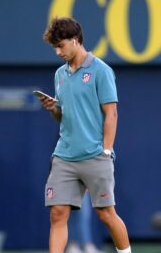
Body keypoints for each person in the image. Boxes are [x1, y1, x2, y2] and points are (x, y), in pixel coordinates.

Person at [41, 17, 132, 253]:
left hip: (95, 155)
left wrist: (106, 151)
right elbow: (64, 118)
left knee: (106, 214)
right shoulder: (59, 75)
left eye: (61, 46)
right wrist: (54, 110)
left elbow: (111, 114)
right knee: (57, 213)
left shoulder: (101, 70)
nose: (58, 52)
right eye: (55, 48)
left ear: (75, 40)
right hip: (64, 156)